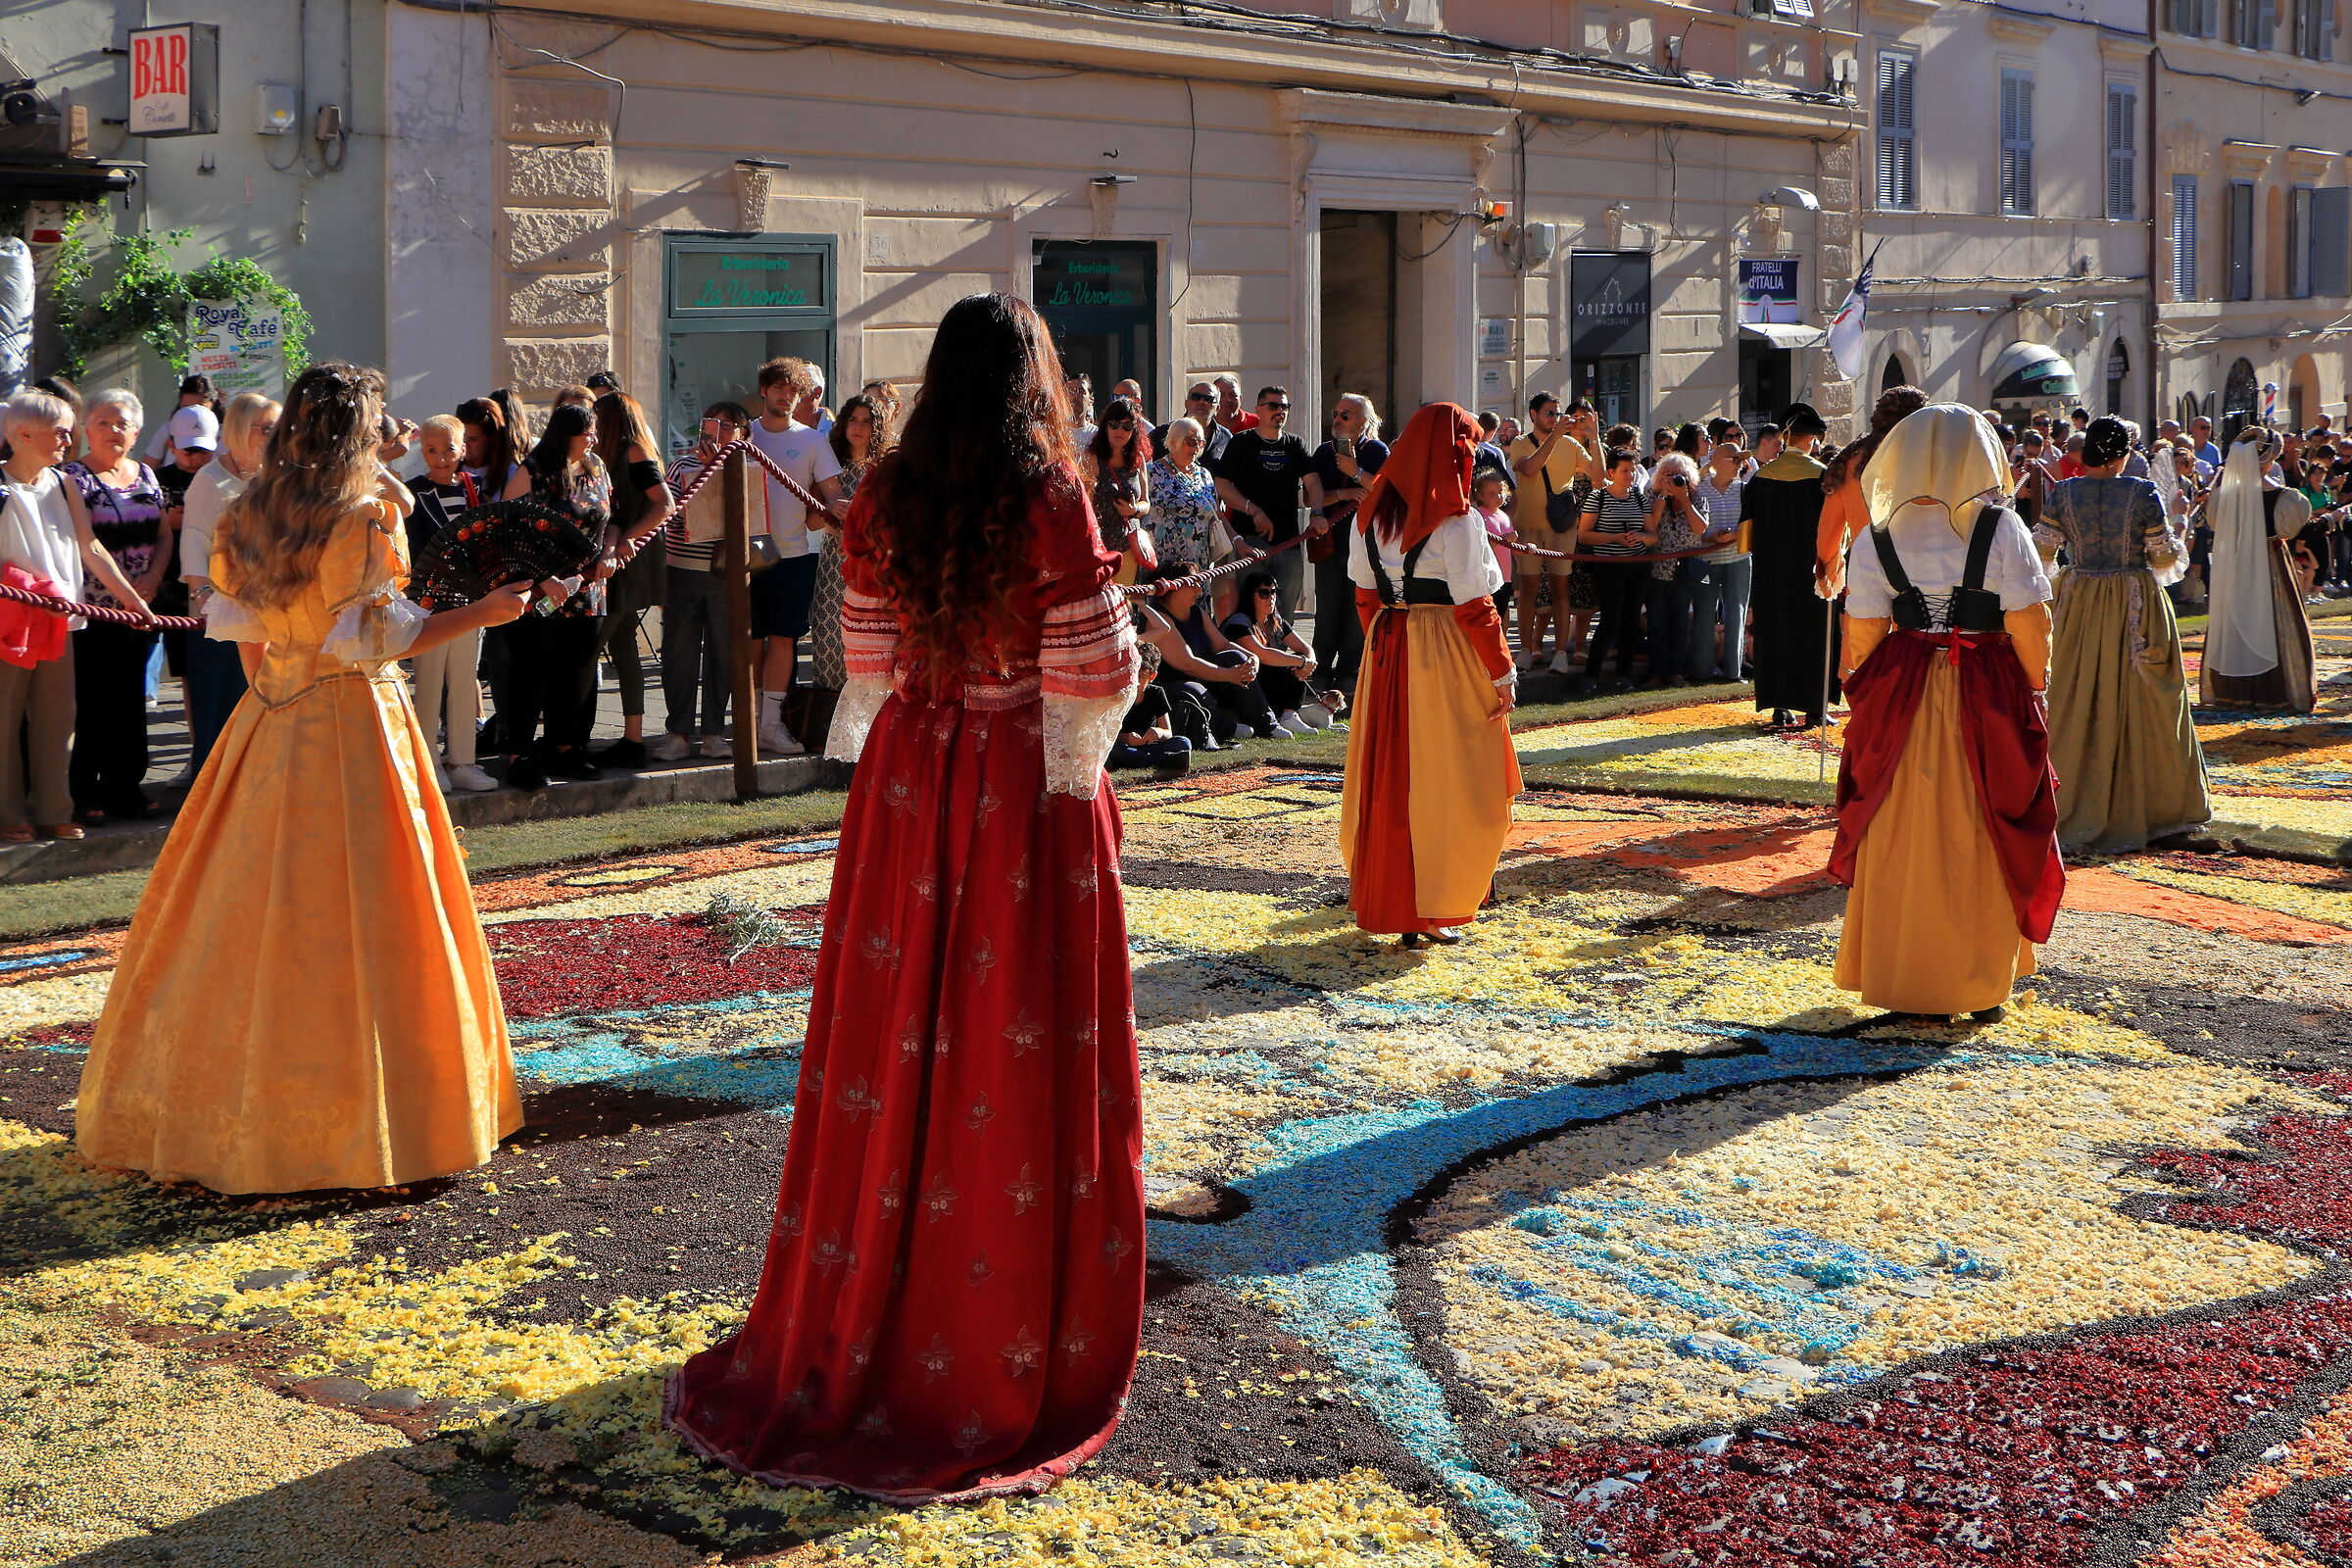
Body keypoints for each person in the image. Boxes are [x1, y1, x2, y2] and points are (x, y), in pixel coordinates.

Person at [667, 292, 1145, 1501]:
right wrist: (1070, 777)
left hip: (911, 788)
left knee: (895, 1036)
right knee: (1007, 1042)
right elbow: (1090, 672)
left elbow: (865, 665)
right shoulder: (1047, 492)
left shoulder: (881, 493)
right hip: (1017, 786)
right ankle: (988, 1322)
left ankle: (863, 1293)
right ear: (1032, 375)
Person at [75, 362, 533, 1195]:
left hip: (273, 717)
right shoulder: (366, 515)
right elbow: (377, 641)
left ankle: (221, 1102)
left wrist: (282, 699)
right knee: (371, 909)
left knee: (248, 906)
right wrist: (486, 613)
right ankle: (379, 1112)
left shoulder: (250, 508)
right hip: (354, 725)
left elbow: (249, 645)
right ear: (360, 429)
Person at [1832, 403, 2061, 1023]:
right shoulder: (2001, 527)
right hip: (1983, 686)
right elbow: (2029, 622)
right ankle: (1975, 974)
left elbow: (1862, 632)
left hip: (1904, 684)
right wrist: (2034, 685)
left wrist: (1870, 688)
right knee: (1979, 819)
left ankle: (1903, 972)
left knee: (1895, 820)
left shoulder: (1878, 535)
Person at [1341, 402, 1520, 948]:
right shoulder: (1458, 519)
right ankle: (1434, 901)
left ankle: (1399, 897)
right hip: (1444, 647)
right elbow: (1475, 605)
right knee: (1453, 774)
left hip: (1388, 644)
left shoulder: (1369, 513)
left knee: (1390, 772)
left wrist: (1384, 647)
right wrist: (1501, 667)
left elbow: (1365, 596)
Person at [2024, 416, 2209, 852]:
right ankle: (2155, 802)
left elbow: (2042, 556)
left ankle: (2068, 793)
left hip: (2081, 598)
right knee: (2147, 696)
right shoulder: (2141, 491)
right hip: (2133, 596)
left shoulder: (2064, 492)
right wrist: (2179, 527)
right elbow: (2164, 560)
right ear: (2123, 453)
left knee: (2076, 691)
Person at [0, 390, 152, 843]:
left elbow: (91, 547)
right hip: (11, 623)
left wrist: (132, 601)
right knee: (5, 721)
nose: (67, 441)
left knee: (57, 720)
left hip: (60, 622)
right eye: (59, 432)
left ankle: (53, 809)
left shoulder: (64, 483)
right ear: (24, 434)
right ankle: (10, 815)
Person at [60, 390, 173, 823]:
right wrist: (127, 592)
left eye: (122, 423)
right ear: (86, 428)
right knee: (91, 700)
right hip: (94, 610)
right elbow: (86, 544)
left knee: (131, 699)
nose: (113, 431)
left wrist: (154, 577)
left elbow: (164, 535)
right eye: (104, 422)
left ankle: (126, 788)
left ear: (137, 431)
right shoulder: (72, 477)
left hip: (142, 609)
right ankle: (84, 792)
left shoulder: (145, 472)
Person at [496, 403, 616, 788]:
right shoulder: (532, 471)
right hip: (539, 591)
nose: (593, 439)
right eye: (587, 433)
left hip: (586, 590)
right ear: (566, 434)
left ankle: (565, 748)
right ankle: (519, 753)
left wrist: (610, 553)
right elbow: (509, 530)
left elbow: (611, 519)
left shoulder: (597, 468)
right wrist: (542, 577)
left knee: (576, 672)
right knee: (531, 671)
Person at [748, 357, 848, 757]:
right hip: (746, 556)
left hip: (792, 554)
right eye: (779, 389)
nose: (786, 397)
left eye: (793, 391)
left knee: (784, 638)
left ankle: (771, 725)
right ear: (764, 391)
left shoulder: (812, 440)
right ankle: (750, 719)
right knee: (751, 640)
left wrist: (838, 509)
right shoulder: (743, 434)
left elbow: (833, 492)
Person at [177, 393, 279, 778]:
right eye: (266, 428)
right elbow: (193, 539)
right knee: (221, 699)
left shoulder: (277, 474)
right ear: (240, 429)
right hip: (219, 607)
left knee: (263, 695)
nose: (274, 436)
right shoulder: (210, 478)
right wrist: (203, 596)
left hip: (271, 607)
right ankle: (217, 784)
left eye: (277, 428)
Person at [651, 401, 758, 762]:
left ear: (743, 433)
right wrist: (705, 473)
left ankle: (715, 732)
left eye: (729, 425)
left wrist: (722, 470)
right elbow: (672, 520)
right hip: (682, 571)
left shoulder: (749, 467)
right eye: (714, 423)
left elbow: (752, 522)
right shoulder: (682, 465)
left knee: (723, 652)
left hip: (725, 576)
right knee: (678, 653)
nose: (720, 430)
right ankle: (678, 732)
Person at [402, 414, 498, 793]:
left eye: (448, 449)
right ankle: (428, 762)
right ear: (422, 450)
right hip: (430, 602)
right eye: (431, 450)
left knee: (463, 680)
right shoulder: (414, 492)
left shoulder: (476, 488)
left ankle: (463, 760)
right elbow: (412, 549)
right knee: (428, 683)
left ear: (463, 448)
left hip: (471, 600)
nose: (440, 457)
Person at [586, 392, 676, 769]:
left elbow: (665, 504)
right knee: (624, 649)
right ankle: (632, 738)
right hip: (617, 560)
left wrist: (627, 539)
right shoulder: (613, 455)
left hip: (628, 562)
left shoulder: (635, 452)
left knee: (592, 646)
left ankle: (612, 737)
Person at [2201, 426, 2318, 712]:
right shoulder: (2284, 498)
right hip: (2270, 565)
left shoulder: (2222, 497)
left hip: (2235, 566)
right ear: (2269, 461)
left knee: (2235, 619)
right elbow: (2289, 529)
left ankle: (2231, 690)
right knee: (2275, 620)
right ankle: (2276, 690)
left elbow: (2215, 523)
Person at [1743, 402, 1833, 728]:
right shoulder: (1822, 477)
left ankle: (1780, 705)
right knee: (1812, 635)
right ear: (1811, 440)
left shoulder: (1761, 477)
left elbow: (1744, 537)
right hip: (1812, 569)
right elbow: (1835, 529)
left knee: (1776, 633)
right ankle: (1815, 708)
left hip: (1771, 573)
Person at [1508, 394, 1602, 674]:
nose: (1554, 418)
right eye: (1549, 413)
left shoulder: (1571, 444)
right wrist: (1555, 436)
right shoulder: (1519, 443)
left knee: (1562, 588)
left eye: (1557, 413)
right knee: (1529, 589)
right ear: (1533, 414)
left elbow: (1598, 477)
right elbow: (1529, 468)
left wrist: (1594, 438)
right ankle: (1525, 649)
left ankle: (1561, 652)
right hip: (1529, 524)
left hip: (1561, 526)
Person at [809, 393, 893, 701]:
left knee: (868, 645)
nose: (858, 428)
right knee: (828, 636)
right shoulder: (830, 465)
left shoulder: (885, 469)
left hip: (871, 564)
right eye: (853, 420)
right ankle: (825, 720)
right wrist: (831, 512)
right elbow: (810, 522)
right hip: (833, 562)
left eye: (866, 422)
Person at [1135, 569, 1280, 740]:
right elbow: (1188, 664)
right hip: (1171, 685)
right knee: (1192, 688)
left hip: (1205, 676)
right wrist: (1228, 675)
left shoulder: (1197, 612)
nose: (1199, 590)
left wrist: (1252, 657)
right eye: (1193, 585)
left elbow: (1223, 645)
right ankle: (1227, 728)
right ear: (1174, 589)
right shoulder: (1158, 618)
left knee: (1237, 658)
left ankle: (1266, 724)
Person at [1815, 386, 1929, 598]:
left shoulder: (1848, 460)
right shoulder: (1925, 458)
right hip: (1919, 573)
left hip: (1866, 571)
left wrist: (1828, 571)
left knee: (1863, 629)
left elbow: (1829, 529)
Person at [1213, 387, 1319, 612]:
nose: (1279, 411)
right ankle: (1252, 647)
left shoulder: (1296, 444)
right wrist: (1253, 510)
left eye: (1284, 407)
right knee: (1250, 609)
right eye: (1273, 406)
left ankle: (1281, 647)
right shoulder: (1241, 442)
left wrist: (1317, 513)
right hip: (1250, 541)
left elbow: (1313, 483)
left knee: (1285, 610)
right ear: (1258, 410)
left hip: (1289, 541)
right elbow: (1222, 485)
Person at [1308, 393, 1389, 684]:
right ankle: (1320, 670)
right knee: (1327, 609)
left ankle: (1349, 670)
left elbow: (1386, 490)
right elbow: (1311, 495)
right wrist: (1343, 493)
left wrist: (1356, 472)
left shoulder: (1377, 452)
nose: (1338, 420)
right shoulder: (1322, 452)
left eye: (1346, 415)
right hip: (1331, 541)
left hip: (1366, 544)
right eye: (1336, 413)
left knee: (1358, 608)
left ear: (1363, 423)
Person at [1577, 446, 1663, 693]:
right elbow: (1584, 535)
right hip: (1609, 568)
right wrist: (1615, 538)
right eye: (1624, 470)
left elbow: (1652, 535)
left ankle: (1624, 675)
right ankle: (1591, 676)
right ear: (1611, 472)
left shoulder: (1639, 497)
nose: (1630, 475)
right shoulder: (1598, 497)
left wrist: (1639, 537)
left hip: (1637, 567)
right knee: (1609, 621)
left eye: (1632, 470)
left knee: (1630, 620)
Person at [1219, 569, 1324, 733]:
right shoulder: (1238, 622)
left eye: (1274, 592)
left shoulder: (1275, 621)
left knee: (1297, 659)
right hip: (1240, 686)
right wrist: (1302, 662)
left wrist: (1308, 663)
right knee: (1289, 662)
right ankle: (1283, 716)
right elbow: (1262, 654)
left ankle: (1290, 715)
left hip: (1266, 682)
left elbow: (1305, 648)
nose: (1271, 598)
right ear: (1249, 596)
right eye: (1264, 593)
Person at [1643, 453, 1707, 687]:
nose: (1674, 480)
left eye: (1679, 476)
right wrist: (1663, 496)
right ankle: (1657, 672)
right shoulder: (1652, 495)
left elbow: (1700, 528)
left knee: (1680, 622)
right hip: (1658, 569)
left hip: (1686, 570)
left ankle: (1677, 672)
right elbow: (1649, 524)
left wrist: (1684, 499)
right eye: (1669, 475)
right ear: (1660, 476)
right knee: (1657, 623)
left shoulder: (1698, 497)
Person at [1690, 436, 1749, 682]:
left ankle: (1733, 672)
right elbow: (1694, 530)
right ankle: (1701, 670)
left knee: (1737, 613)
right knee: (1705, 614)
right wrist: (1710, 538)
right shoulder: (1700, 489)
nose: (1739, 464)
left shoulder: (1744, 489)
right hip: (1708, 560)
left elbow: (1753, 524)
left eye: (1740, 460)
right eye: (1734, 460)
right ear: (1718, 462)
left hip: (1739, 557)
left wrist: (1735, 535)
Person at [1082, 397, 1153, 583]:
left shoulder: (1137, 459)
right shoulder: (1092, 457)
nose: (1119, 430)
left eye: (1126, 426)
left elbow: (1146, 503)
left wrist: (1134, 510)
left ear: (1134, 431)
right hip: (1099, 547)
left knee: (1127, 602)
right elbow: (1085, 504)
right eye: (1114, 424)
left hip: (1129, 545)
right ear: (1105, 426)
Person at [1144, 417, 1221, 573]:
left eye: (1200, 442)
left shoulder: (1204, 474)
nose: (1197, 447)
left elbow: (1217, 512)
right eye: (1191, 442)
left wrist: (1237, 540)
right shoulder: (1151, 472)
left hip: (1199, 564)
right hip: (1164, 565)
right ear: (1173, 442)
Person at [1109, 642, 1191, 777]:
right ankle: (1163, 761)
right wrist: (1126, 738)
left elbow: (1168, 732)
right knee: (1113, 750)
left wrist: (1158, 732)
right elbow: (1108, 734)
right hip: (1124, 745)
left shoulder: (1156, 693)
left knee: (1183, 742)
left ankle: (1141, 760)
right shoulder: (1119, 694)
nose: (1134, 681)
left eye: (1140, 676)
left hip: (1149, 746)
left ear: (1152, 676)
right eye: (1131, 674)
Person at [140, 373, 219, 466]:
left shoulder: (228, 433)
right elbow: (147, 469)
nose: (193, 413)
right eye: (186, 408)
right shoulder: (168, 429)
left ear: (213, 402)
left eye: (200, 407)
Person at [1152, 383, 1231, 471]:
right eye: (1195, 397)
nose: (1201, 402)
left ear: (1217, 408)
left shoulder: (1226, 437)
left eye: (1209, 399)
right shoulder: (1162, 433)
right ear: (1186, 403)